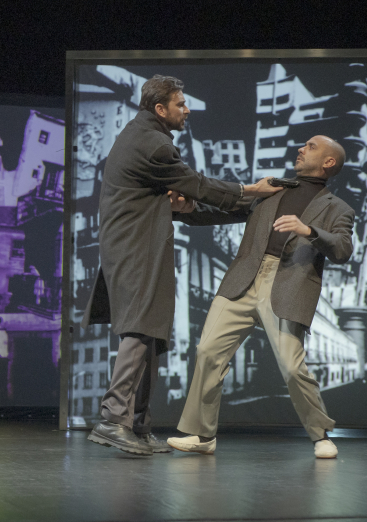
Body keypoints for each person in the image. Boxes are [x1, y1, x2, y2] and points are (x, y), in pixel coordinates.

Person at [82, 75, 281, 456]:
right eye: (180, 104)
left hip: (141, 244)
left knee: (152, 333)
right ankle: (113, 419)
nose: (186, 110)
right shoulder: (154, 145)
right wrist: (252, 191)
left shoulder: (143, 136)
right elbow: (198, 186)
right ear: (160, 109)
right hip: (136, 248)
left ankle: (138, 424)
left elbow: (187, 205)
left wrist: (249, 209)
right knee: (140, 327)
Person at [167, 135, 354, 459]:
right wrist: (185, 210)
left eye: (311, 147)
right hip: (242, 279)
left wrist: (308, 230)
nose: (301, 149)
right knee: (208, 351)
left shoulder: (338, 208)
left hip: (288, 283)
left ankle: (321, 435)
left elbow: (342, 248)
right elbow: (224, 211)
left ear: (329, 162)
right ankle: (202, 434)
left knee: (292, 367)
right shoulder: (274, 188)